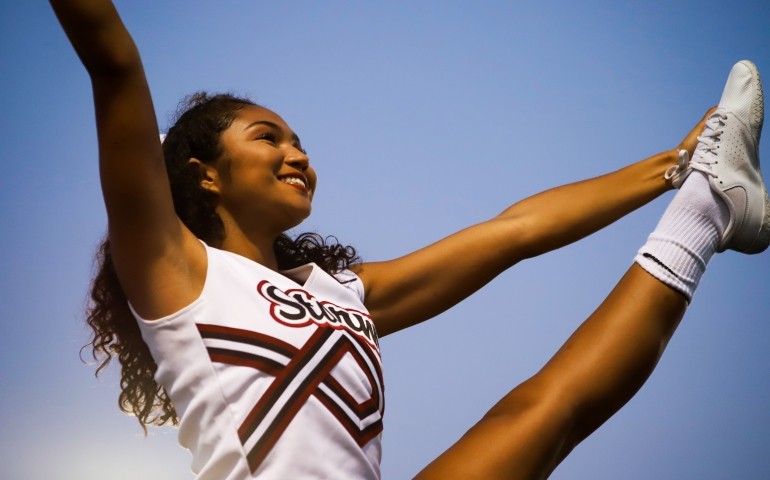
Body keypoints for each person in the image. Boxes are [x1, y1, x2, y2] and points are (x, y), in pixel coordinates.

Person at [49, 0, 766, 478]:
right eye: (268, 138)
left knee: (545, 412)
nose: (298, 155)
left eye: (301, 142)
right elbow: (115, 63)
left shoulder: (343, 292)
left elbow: (512, 232)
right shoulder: (175, 270)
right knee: (546, 410)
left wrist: (675, 164)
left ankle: (707, 199)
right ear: (203, 176)